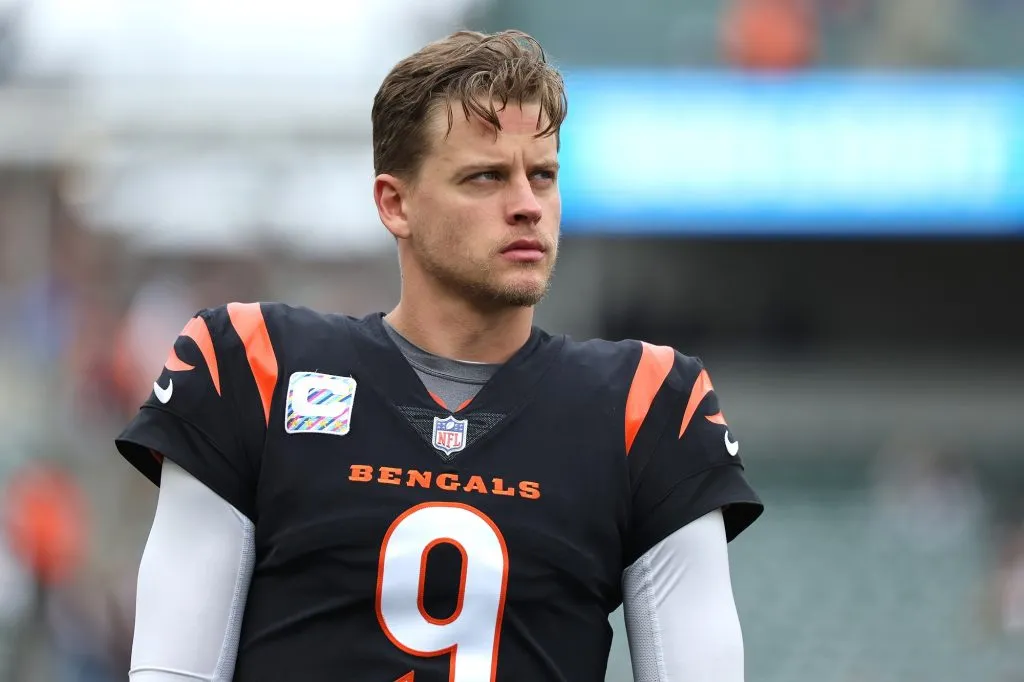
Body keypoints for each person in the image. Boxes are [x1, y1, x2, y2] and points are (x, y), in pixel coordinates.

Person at [116, 29, 763, 682]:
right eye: (485, 177)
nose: (526, 207)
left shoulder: (647, 402)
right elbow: (173, 670)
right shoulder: (252, 367)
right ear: (395, 204)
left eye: (542, 175)